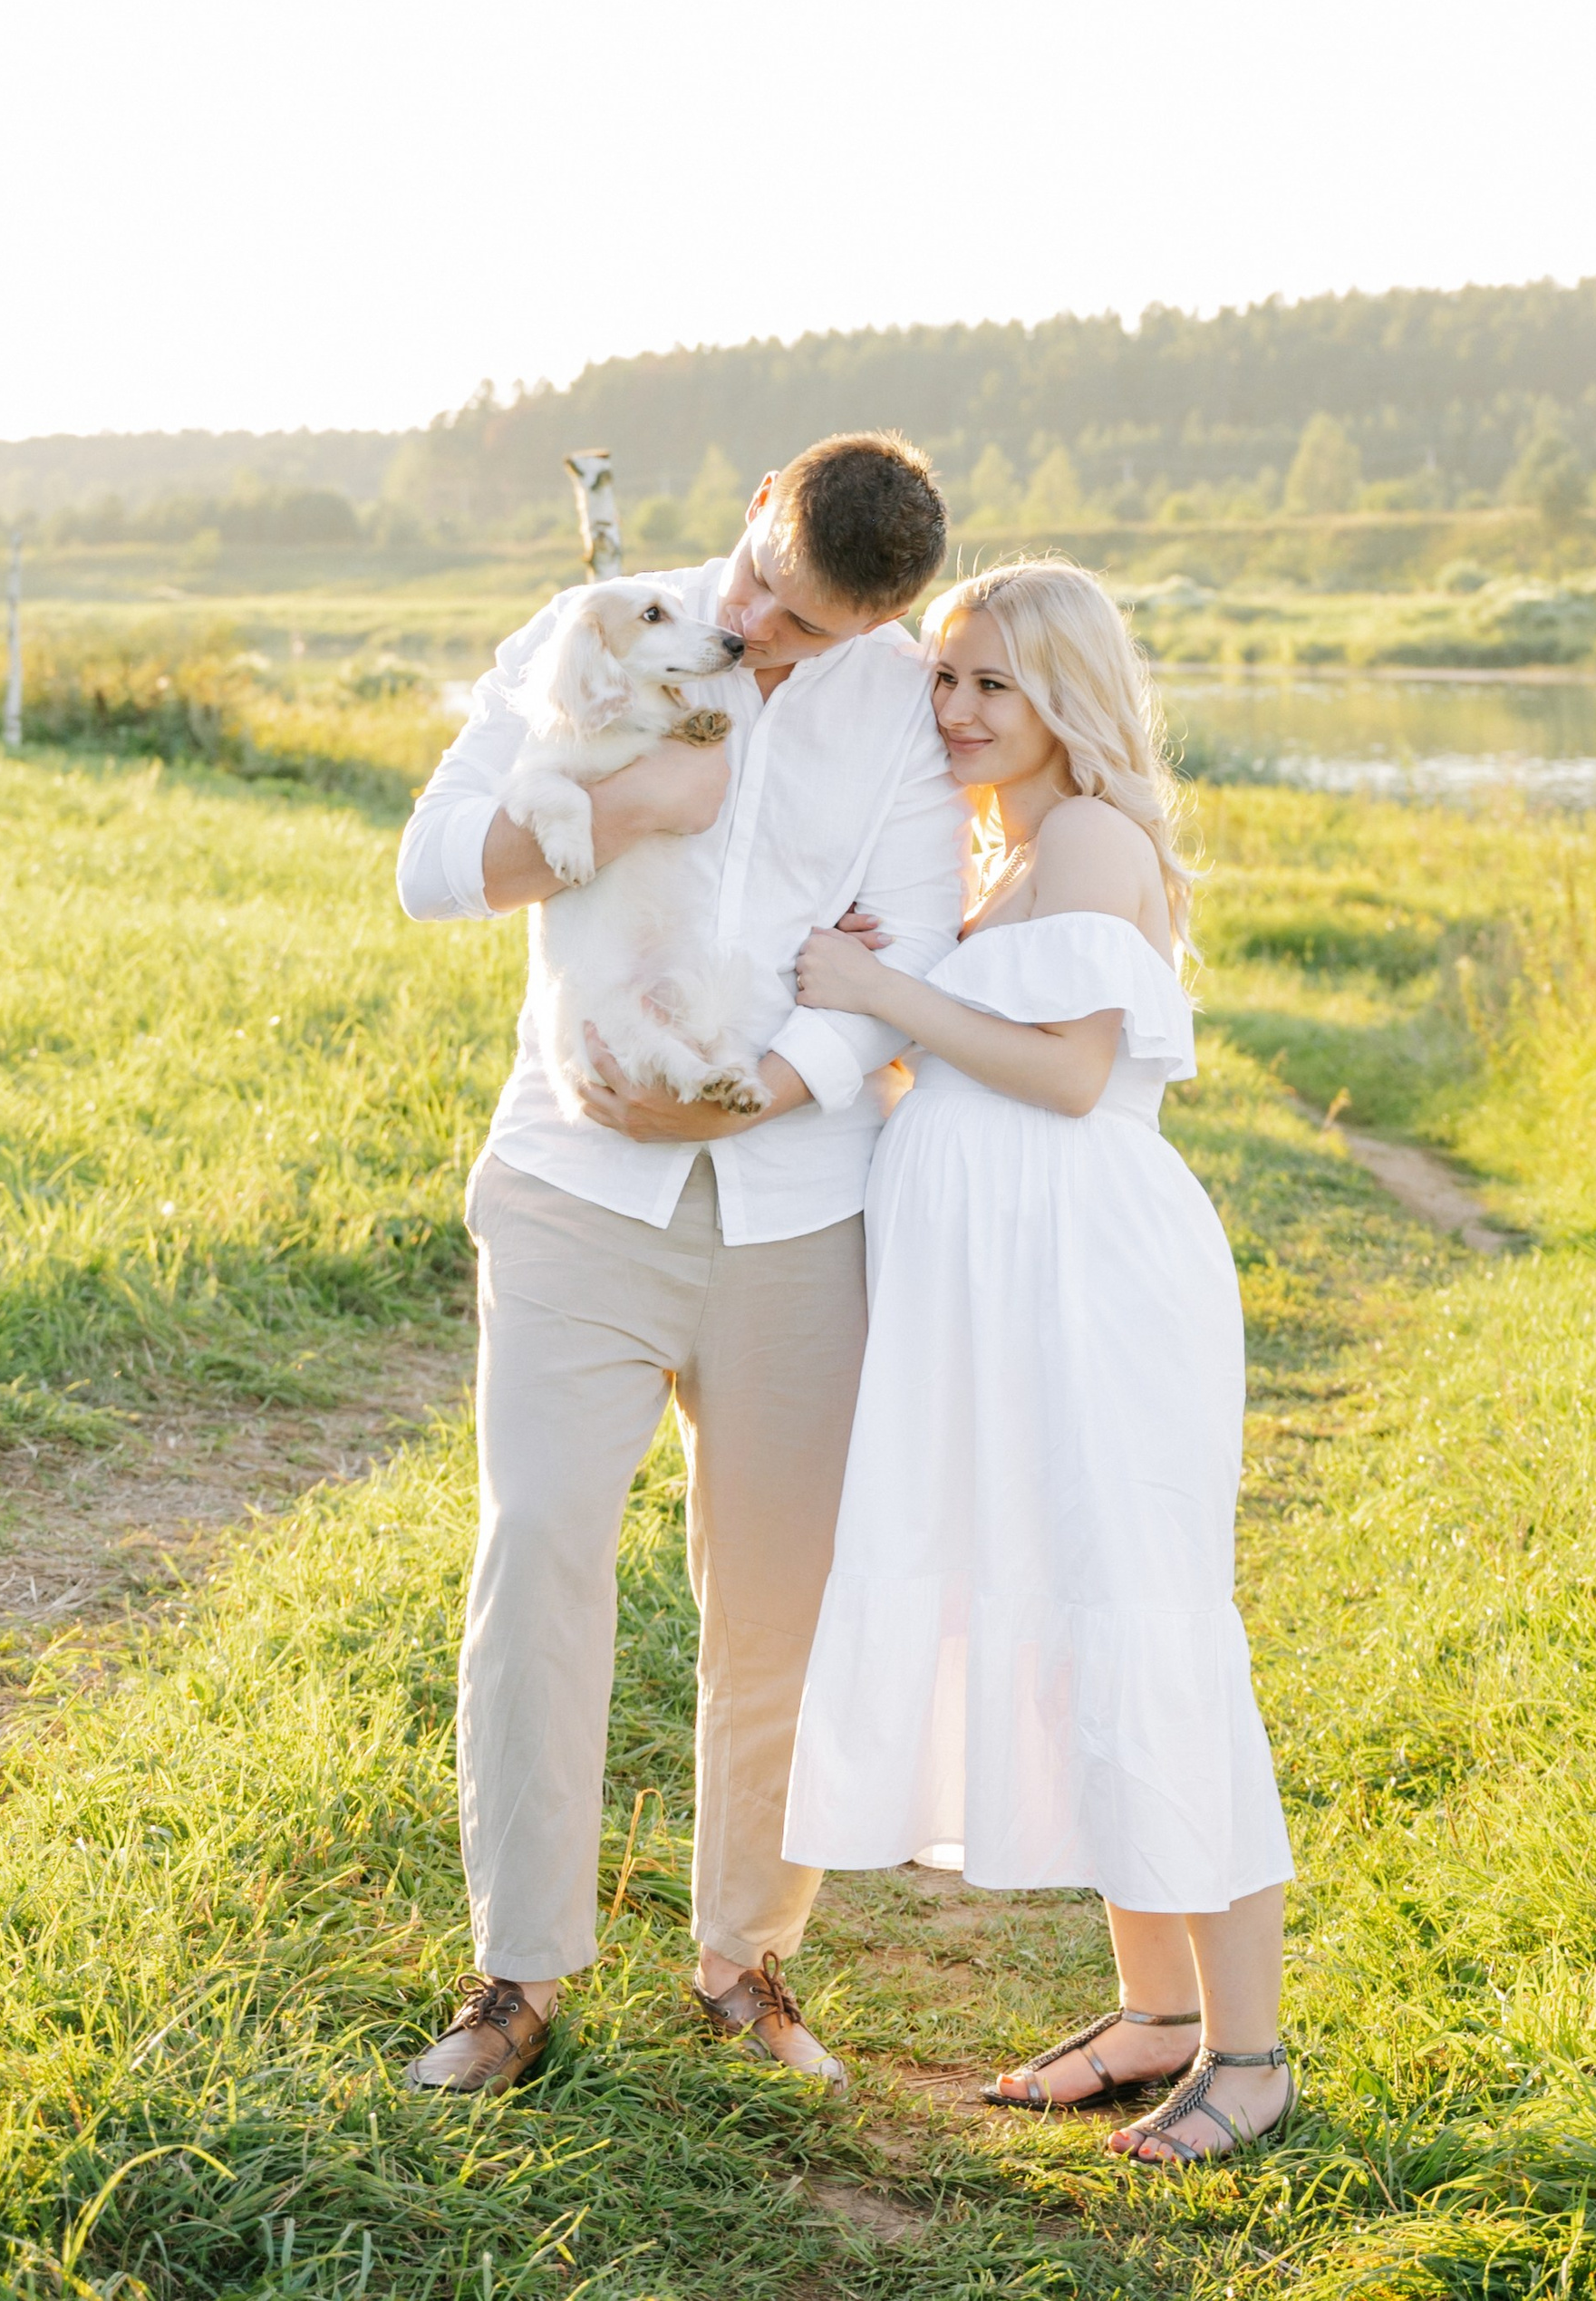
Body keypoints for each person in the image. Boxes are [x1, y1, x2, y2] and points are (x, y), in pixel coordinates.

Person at [394, 433, 964, 2099]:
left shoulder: (893, 709)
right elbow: (434, 872)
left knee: (776, 1600)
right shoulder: (585, 633)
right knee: (543, 1554)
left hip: (796, 1209)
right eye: (767, 595)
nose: (768, 639)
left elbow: (913, 946)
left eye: (814, 631)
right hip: (573, 1189)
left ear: (880, 625)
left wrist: (767, 1084)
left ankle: (745, 1957)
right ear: (754, 525)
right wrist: (639, 797)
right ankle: (517, 1973)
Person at [783, 559, 1297, 2166]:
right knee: (1072, 1620)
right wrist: (891, 1024)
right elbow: (960, 1086)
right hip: (1007, 1290)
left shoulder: (1087, 834)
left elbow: (1070, 1077)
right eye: (943, 678)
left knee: (1144, 1622)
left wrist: (881, 989)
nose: (954, 711)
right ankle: (1150, 2015)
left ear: (1065, 693)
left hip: (1092, 1280)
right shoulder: (1004, 850)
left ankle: (1253, 2051)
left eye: (991, 684)